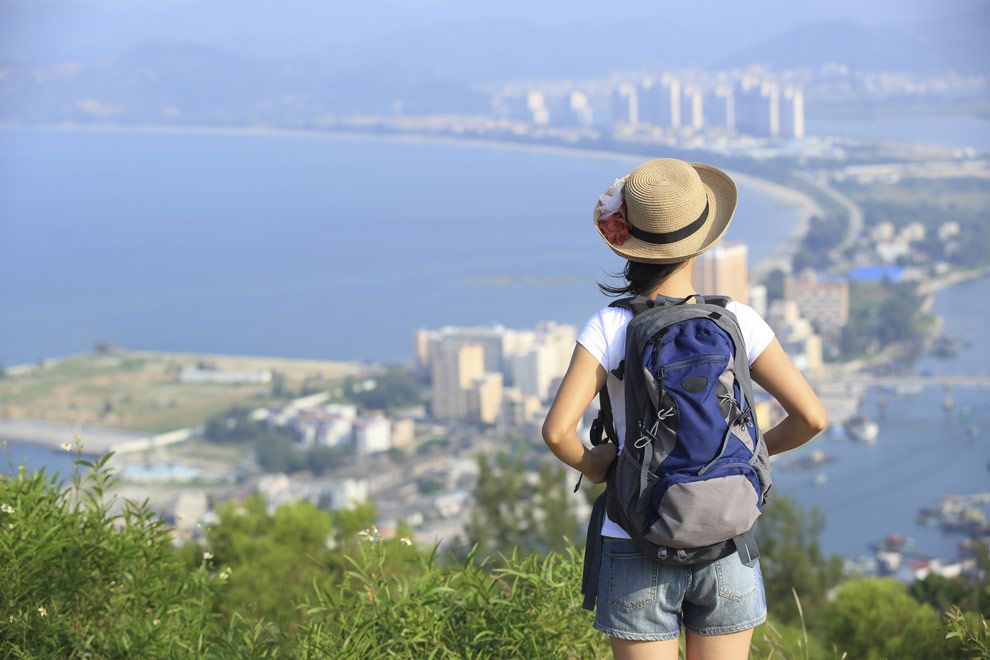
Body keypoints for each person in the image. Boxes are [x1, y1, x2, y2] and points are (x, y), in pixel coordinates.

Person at [542, 158, 827, 660]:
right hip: (727, 535)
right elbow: (812, 418)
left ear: (630, 243)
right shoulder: (738, 319)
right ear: (702, 240)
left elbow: (558, 431)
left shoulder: (610, 326)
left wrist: (592, 463)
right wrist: (752, 452)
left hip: (635, 536)